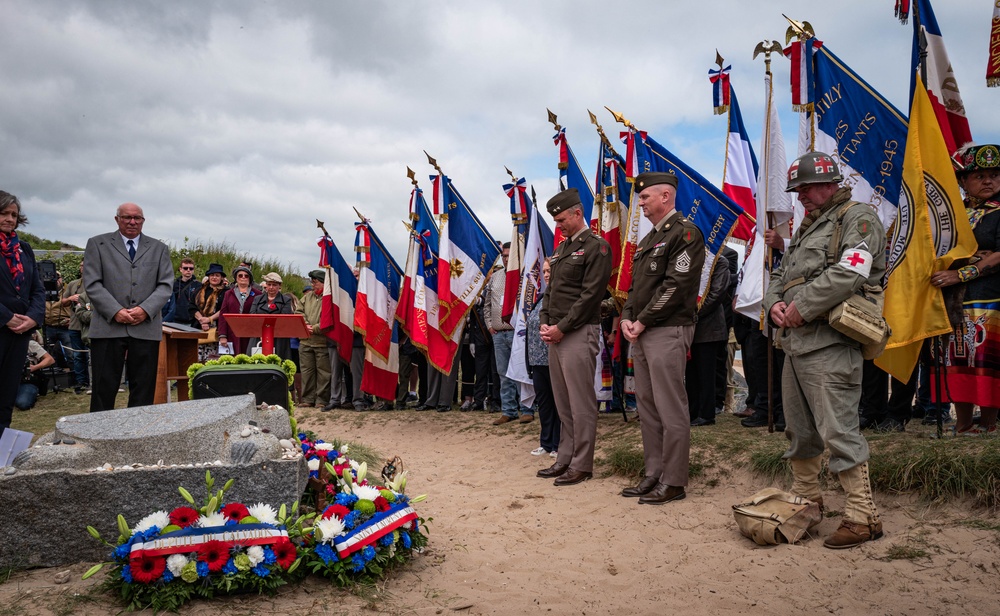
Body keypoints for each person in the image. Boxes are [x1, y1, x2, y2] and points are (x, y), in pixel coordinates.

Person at [763, 151, 886, 549]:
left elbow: (852, 270)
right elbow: (780, 274)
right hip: (795, 343)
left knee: (839, 431)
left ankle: (862, 516)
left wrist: (804, 305)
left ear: (831, 183)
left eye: (807, 188)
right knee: (799, 432)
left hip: (831, 341)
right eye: (796, 190)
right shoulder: (806, 228)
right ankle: (808, 502)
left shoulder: (858, 217)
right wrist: (773, 304)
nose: (800, 197)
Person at [619, 172, 705, 504]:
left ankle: (674, 480)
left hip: (666, 329)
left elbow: (675, 286)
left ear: (665, 197)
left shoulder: (684, 234)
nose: (640, 203)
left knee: (671, 408)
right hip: (642, 331)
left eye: (644, 198)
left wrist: (641, 320)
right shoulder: (646, 242)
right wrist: (628, 316)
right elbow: (634, 289)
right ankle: (653, 473)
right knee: (648, 407)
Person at [536, 188, 612, 486]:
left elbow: (591, 297)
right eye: (555, 221)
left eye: (562, 219)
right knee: (564, 402)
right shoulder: (561, 250)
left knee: (581, 403)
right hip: (556, 334)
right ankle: (565, 457)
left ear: (578, 213)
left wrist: (561, 328)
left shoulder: (597, 247)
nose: (559, 225)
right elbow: (550, 293)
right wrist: (545, 323)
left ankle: (582, 464)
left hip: (578, 332)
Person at [932, 143, 1000, 434]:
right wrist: (977, 256)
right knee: (957, 358)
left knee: (987, 362)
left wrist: (960, 273)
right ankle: (961, 424)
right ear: (962, 181)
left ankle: (987, 424)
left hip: (991, 298)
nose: (989, 181)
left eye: (995, 175)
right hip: (953, 301)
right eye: (980, 176)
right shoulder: (952, 214)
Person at [83, 202, 173, 412]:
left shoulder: (159, 248)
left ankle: (137, 435)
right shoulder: (98, 244)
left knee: (144, 388)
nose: (132, 222)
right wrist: (115, 311)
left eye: (137, 218)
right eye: (127, 217)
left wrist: (145, 310)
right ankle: (99, 433)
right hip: (107, 328)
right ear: (117, 219)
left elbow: (165, 285)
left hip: (145, 328)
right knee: (103, 389)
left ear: (143, 221)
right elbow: (92, 283)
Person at [0, 191, 46, 437]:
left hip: (19, 333)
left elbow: (37, 289)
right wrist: (6, 316)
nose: (9, 219)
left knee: (7, 395)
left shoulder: (24, 249)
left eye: (14, 214)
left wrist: (33, 317)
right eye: (4, 213)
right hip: (2, 326)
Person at [485, 243, 532, 424]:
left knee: (521, 371)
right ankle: (508, 410)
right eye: (503, 256)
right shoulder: (495, 277)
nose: (505, 259)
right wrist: (490, 325)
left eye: (508, 256)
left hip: (517, 333)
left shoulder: (523, 277)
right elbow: (487, 305)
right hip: (498, 333)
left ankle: (527, 408)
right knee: (503, 373)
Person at [527, 258, 559, 457]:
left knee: (558, 404)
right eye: (545, 271)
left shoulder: (561, 296)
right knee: (545, 403)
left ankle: (558, 444)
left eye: (550, 271)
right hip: (537, 360)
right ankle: (546, 443)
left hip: (553, 358)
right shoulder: (542, 297)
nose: (546, 275)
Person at [295, 269, 330, 408]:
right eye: (312, 281)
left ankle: (322, 400)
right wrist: (305, 325)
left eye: (315, 282)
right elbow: (298, 311)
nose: (312, 284)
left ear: (323, 283)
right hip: (305, 341)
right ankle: (307, 399)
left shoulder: (329, 298)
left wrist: (315, 328)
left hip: (322, 342)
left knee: (324, 373)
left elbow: (330, 318)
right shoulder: (307, 297)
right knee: (307, 371)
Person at [248, 272, 293, 361]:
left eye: (274, 285)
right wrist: (261, 332)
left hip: (278, 338)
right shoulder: (257, 299)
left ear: (279, 286)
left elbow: (284, 319)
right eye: (269, 285)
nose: (271, 287)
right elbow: (252, 316)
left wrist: (269, 333)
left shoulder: (286, 300)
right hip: (258, 336)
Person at [60, 261, 90, 393]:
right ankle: (81, 382)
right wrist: (71, 298)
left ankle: (93, 382)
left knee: (92, 356)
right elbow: (63, 302)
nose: (83, 268)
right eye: (82, 265)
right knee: (78, 355)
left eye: (86, 265)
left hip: (91, 325)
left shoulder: (97, 284)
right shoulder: (73, 284)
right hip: (75, 326)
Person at [217, 265, 259, 356]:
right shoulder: (228, 293)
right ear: (236, 278)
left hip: (251, 334)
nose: (243, 277)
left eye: (246, 276)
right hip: (232, 333)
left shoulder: (258, 294)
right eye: (240, 275)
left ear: (250, 279)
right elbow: (223, 315)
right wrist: (223, 335)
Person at [190, 263, 227, 358]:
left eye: (217, 275)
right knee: (195, 358)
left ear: (222, 278)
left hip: (216, 330)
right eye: (212, 275)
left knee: (213, 359)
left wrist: (209, 319)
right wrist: (202, 319)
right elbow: (191, 307)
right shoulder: (199, 290)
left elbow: (224, 309)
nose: (214, 277)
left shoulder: (226, 292)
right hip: (199, 327)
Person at [15, 332, 55, 411]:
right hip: (7, 382)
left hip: (27, 381)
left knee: (23, 403)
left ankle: (30, 394)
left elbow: (50, 359)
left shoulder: (30, 343)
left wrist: (35, 367)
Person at [165, 257, 201, 327]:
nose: (188, 270)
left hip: (192, 321)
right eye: (185, 268)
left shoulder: (199, 285)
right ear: (180, 269)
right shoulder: (173, 284)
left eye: (191, 268)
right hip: (175, 320)